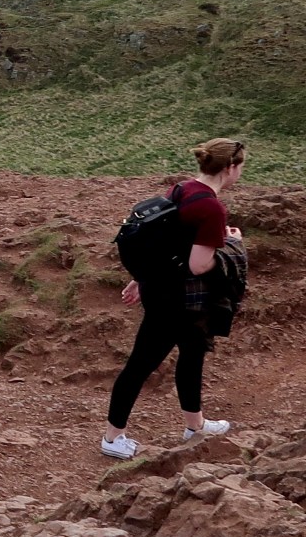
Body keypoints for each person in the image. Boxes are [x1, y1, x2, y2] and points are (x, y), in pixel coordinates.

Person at [101, 138, 245, 460]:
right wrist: (232, 244)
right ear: (229, 168)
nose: (241, 172)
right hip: (178, 300)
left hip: (163, 289)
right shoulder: (211, 208)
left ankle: (195, 426)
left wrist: (140, 277)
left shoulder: (182, 189)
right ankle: (113, 437)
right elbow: (198, 264)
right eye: (241, 166)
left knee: (192, 354)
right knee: (141, 364)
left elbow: (162, 242)